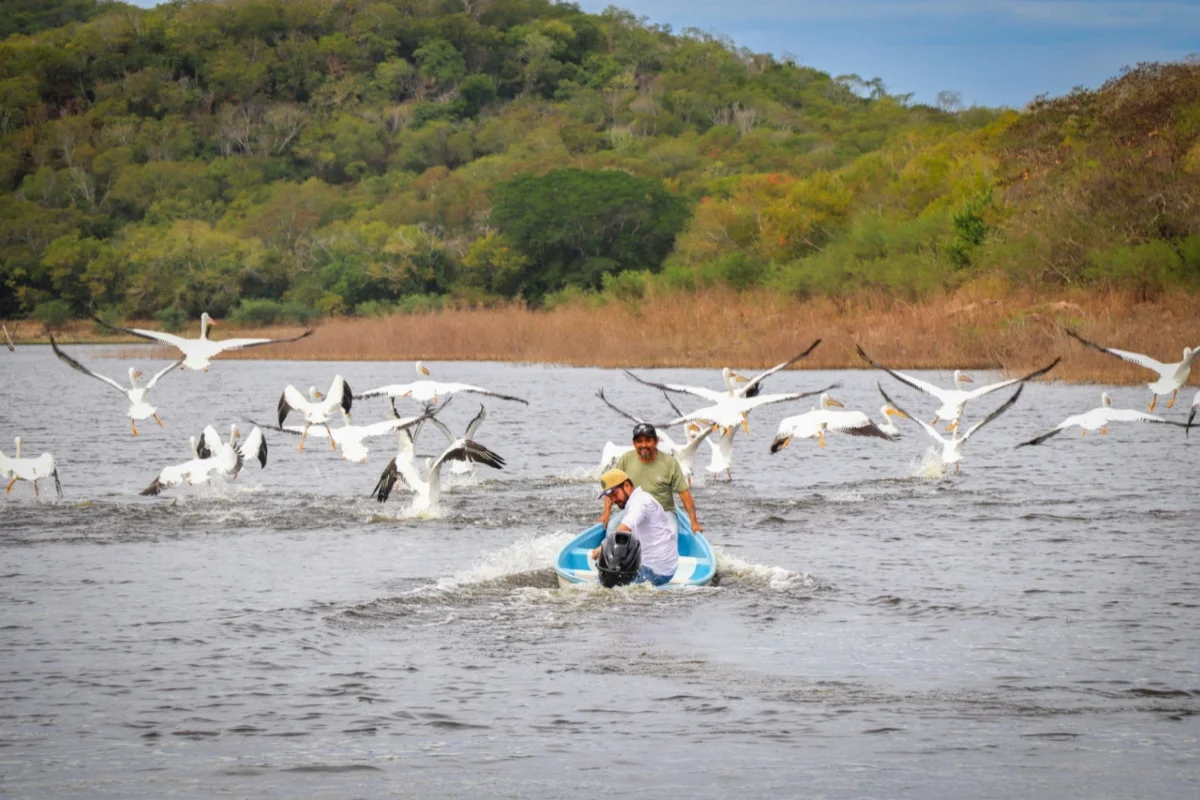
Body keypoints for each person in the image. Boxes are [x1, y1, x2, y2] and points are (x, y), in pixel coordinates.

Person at [599, 422, 702, 536]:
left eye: (648, 440)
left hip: (664, 511)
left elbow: (684, 494)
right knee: (612, 527)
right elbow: (612, 488)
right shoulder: (626, 459)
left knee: (671, 532)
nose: (644, 445)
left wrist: (694, 522)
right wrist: (606, 514)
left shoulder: (670, 463)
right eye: (639, 441)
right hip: (633, 510)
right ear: (634, 443)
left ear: (656, 441)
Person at [591, 469, 677, 586]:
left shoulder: (640, 502)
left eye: (614, 494)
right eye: (610, 497)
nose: (614, 500)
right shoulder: (636, 501)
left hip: (658, 571)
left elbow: (623, 530)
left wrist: (602, 548)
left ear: (627, 486)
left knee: (604, 585)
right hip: (658, 565)